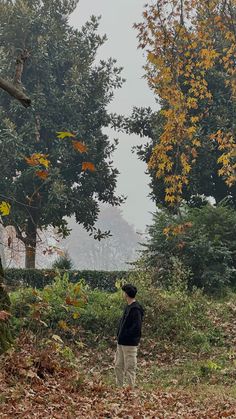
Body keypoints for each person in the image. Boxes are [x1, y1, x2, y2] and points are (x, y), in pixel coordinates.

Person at [115, 284, 144, 388]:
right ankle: (119, 388)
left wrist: (126, 336)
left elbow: (136, 328)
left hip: (130, 344)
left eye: (123, 292)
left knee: (130, 367)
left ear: (126, 294)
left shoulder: (136, 309)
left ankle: (130, 390)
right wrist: (119, 335)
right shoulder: (128, 307)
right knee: (118, 366)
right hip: (121, 342)